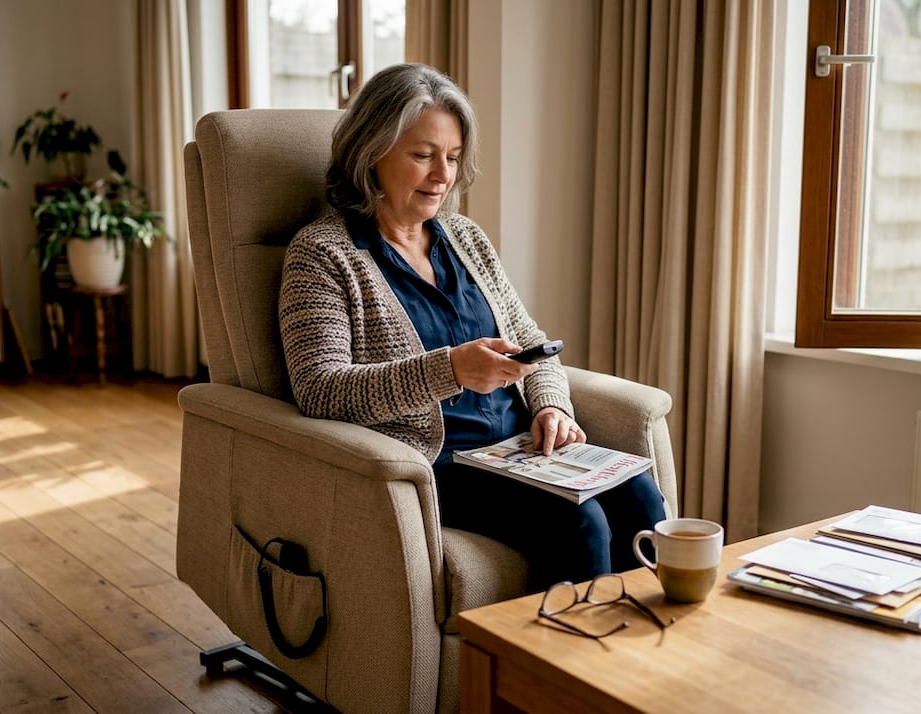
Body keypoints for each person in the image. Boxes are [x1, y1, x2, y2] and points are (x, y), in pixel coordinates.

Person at [279, 63, 667, 587]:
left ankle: (644, 658)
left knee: (641, 493)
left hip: (518, 450)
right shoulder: (323, 254)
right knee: (579, 522)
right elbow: (320, 390)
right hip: (435, 464)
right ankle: (565, 666)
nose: (444, 175)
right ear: (370, 154)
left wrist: (551, 404)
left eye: (453, 157)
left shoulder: (464, 236)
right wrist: (451, 370)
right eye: (422, 155)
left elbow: (532, 344)